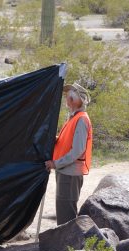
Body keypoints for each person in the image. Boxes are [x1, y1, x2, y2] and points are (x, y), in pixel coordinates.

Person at [45, 83, 93, 225]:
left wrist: (55, 163)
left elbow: (77, 150)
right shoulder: (74, 118)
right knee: (63, 208)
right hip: (66, 171)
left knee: (66, 213)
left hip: (70, 173)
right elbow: (66, 142)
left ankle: (69, 246)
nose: (66, 99)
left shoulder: (81, 119)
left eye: (69, 96)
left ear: (75, 100)